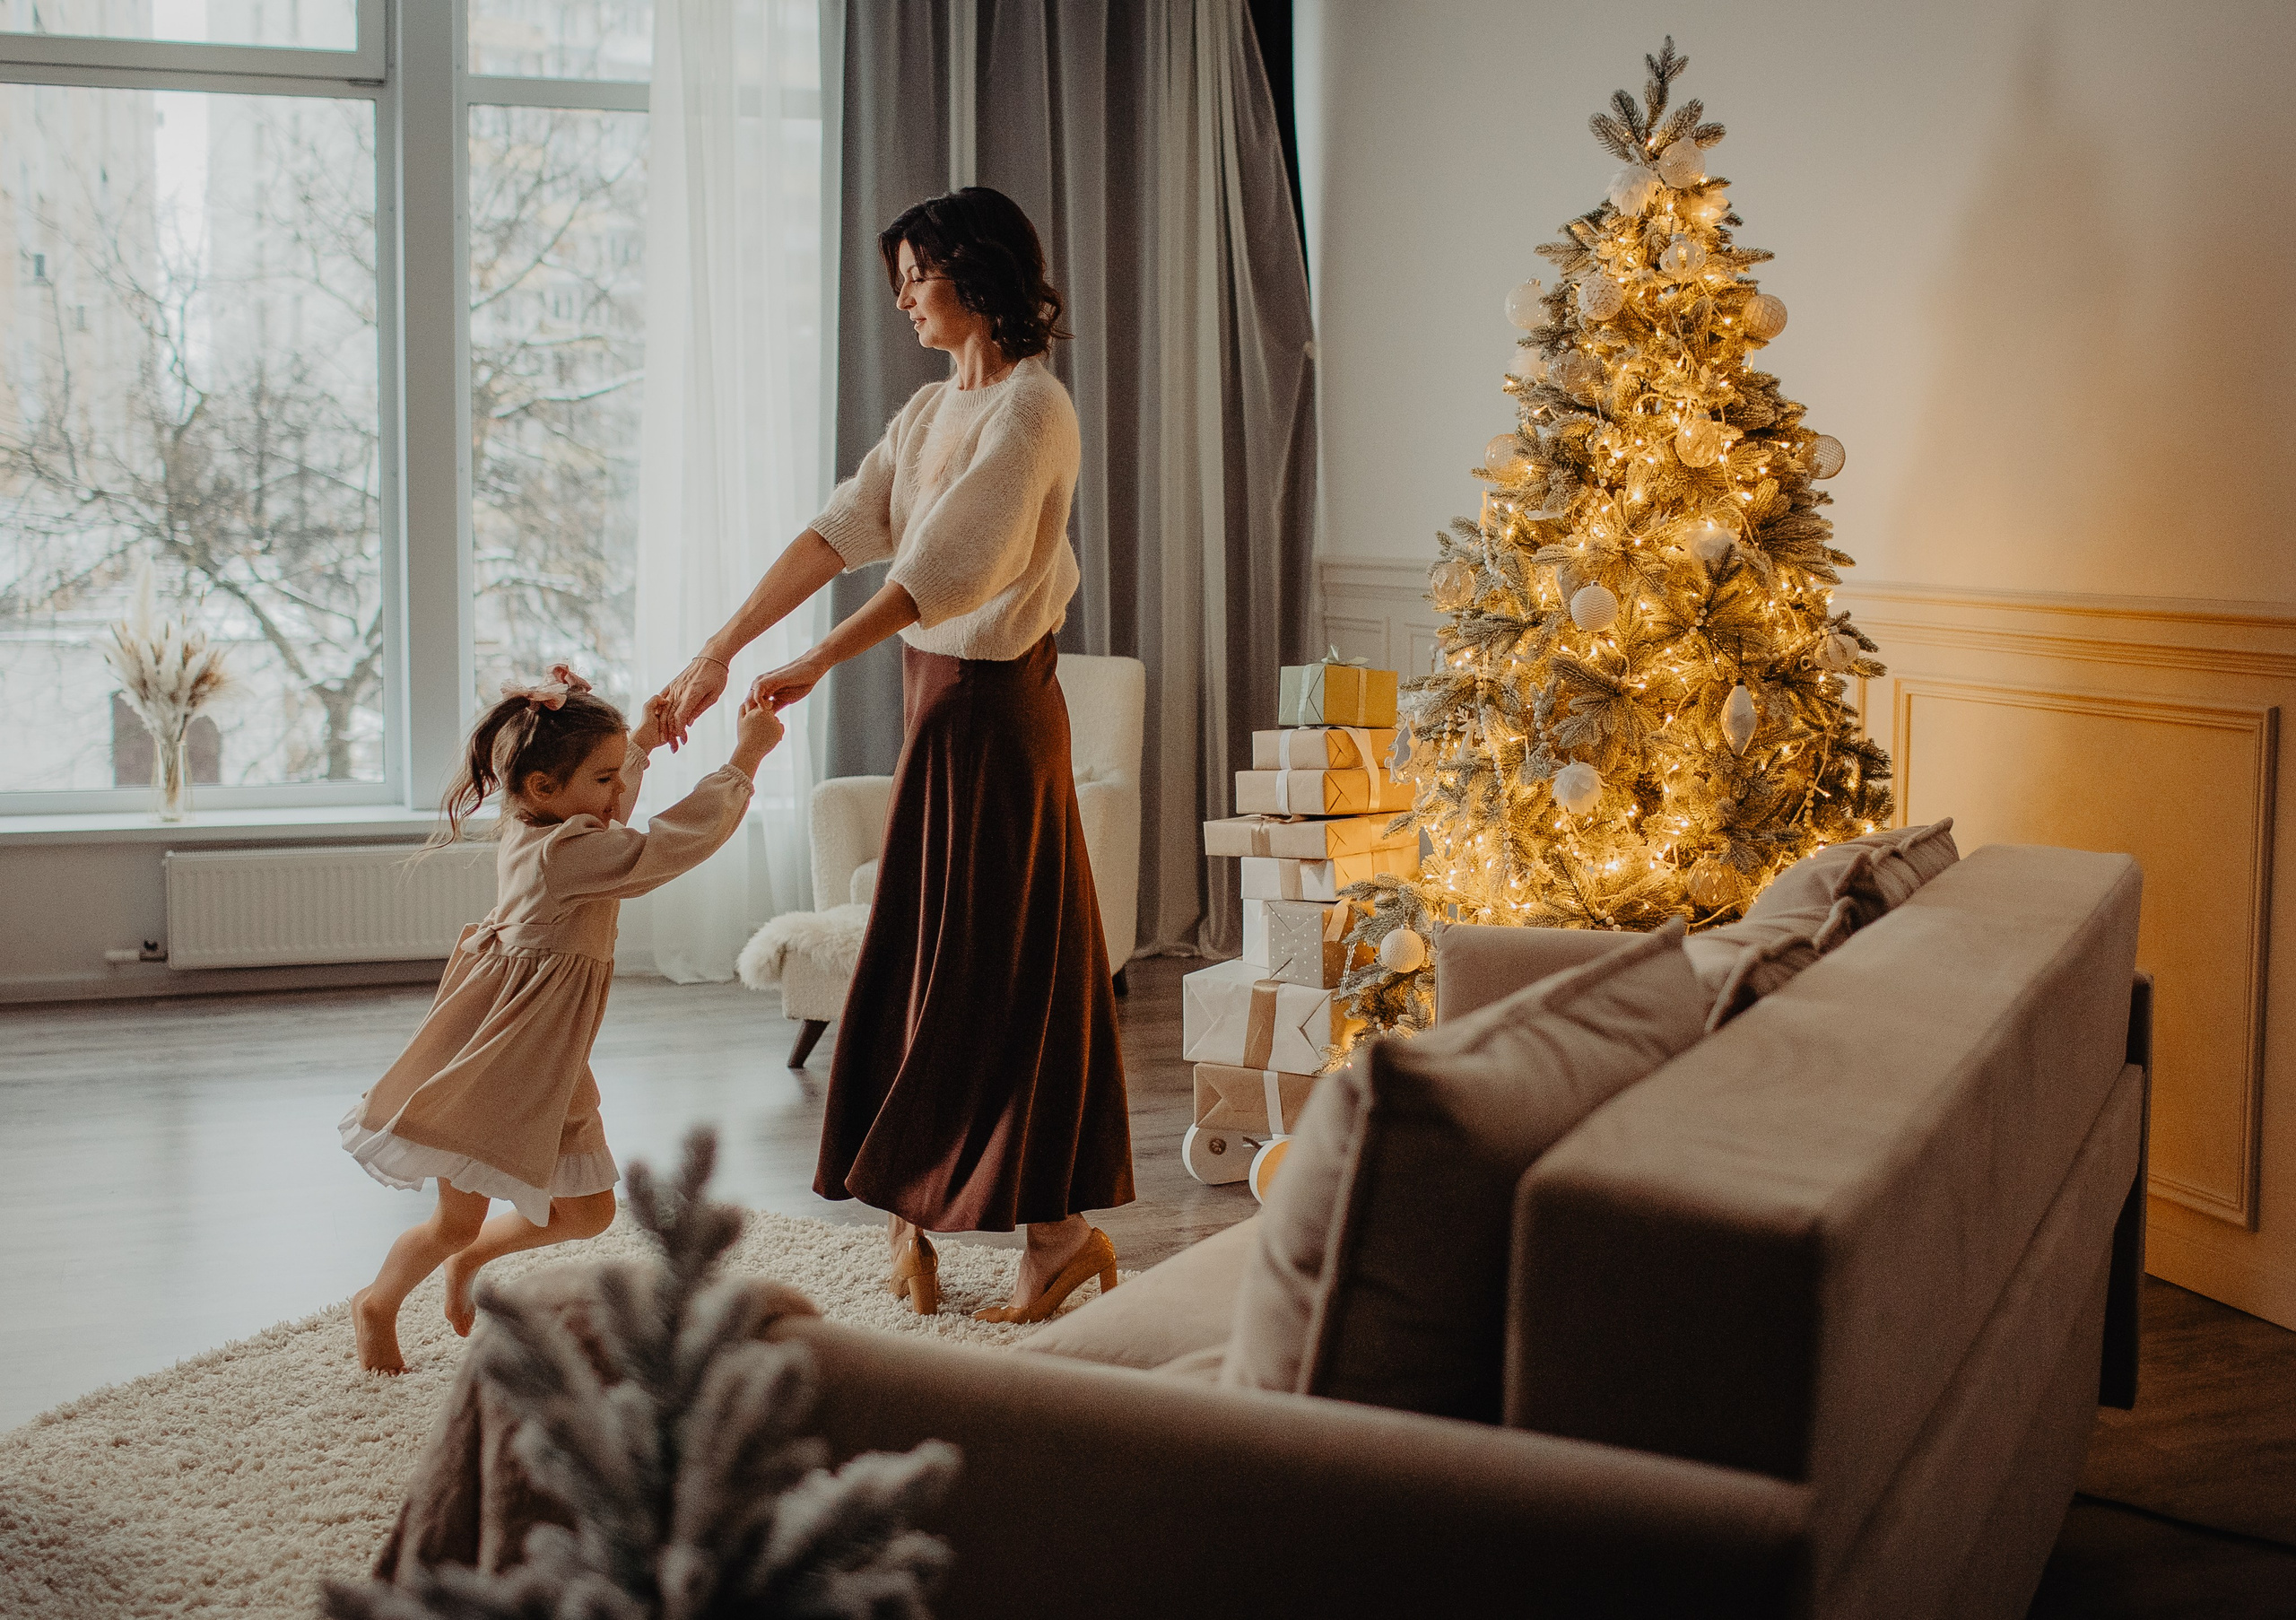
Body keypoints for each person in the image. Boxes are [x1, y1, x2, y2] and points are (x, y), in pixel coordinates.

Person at [655, 186, 1134, 1323]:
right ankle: (929, 1225)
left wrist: (816, 664)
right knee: (920, 963)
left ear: (978, 275)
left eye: (920, 272)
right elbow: (838, 531)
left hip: (996, 713)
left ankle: (1050, 1236)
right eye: (902, 276)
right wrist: (717, 651)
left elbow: (947, 572)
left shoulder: (1033, 409)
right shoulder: (928, 414)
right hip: (938, 704)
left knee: (987, 976)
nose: (906, 296)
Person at [340, 665, 783, 1373]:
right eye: (603, 779)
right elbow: (668, 844)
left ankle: (476, 1259)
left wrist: (636, 741)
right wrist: (744, 762)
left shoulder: (541, 817)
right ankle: (378, 1304)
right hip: (501, 1051)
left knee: (586, 1213)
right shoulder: (568, 853)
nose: (618, 795)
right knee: (455, 1220)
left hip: (553, 1052)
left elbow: (608, 813)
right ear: (543, 786)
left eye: (615, 778)